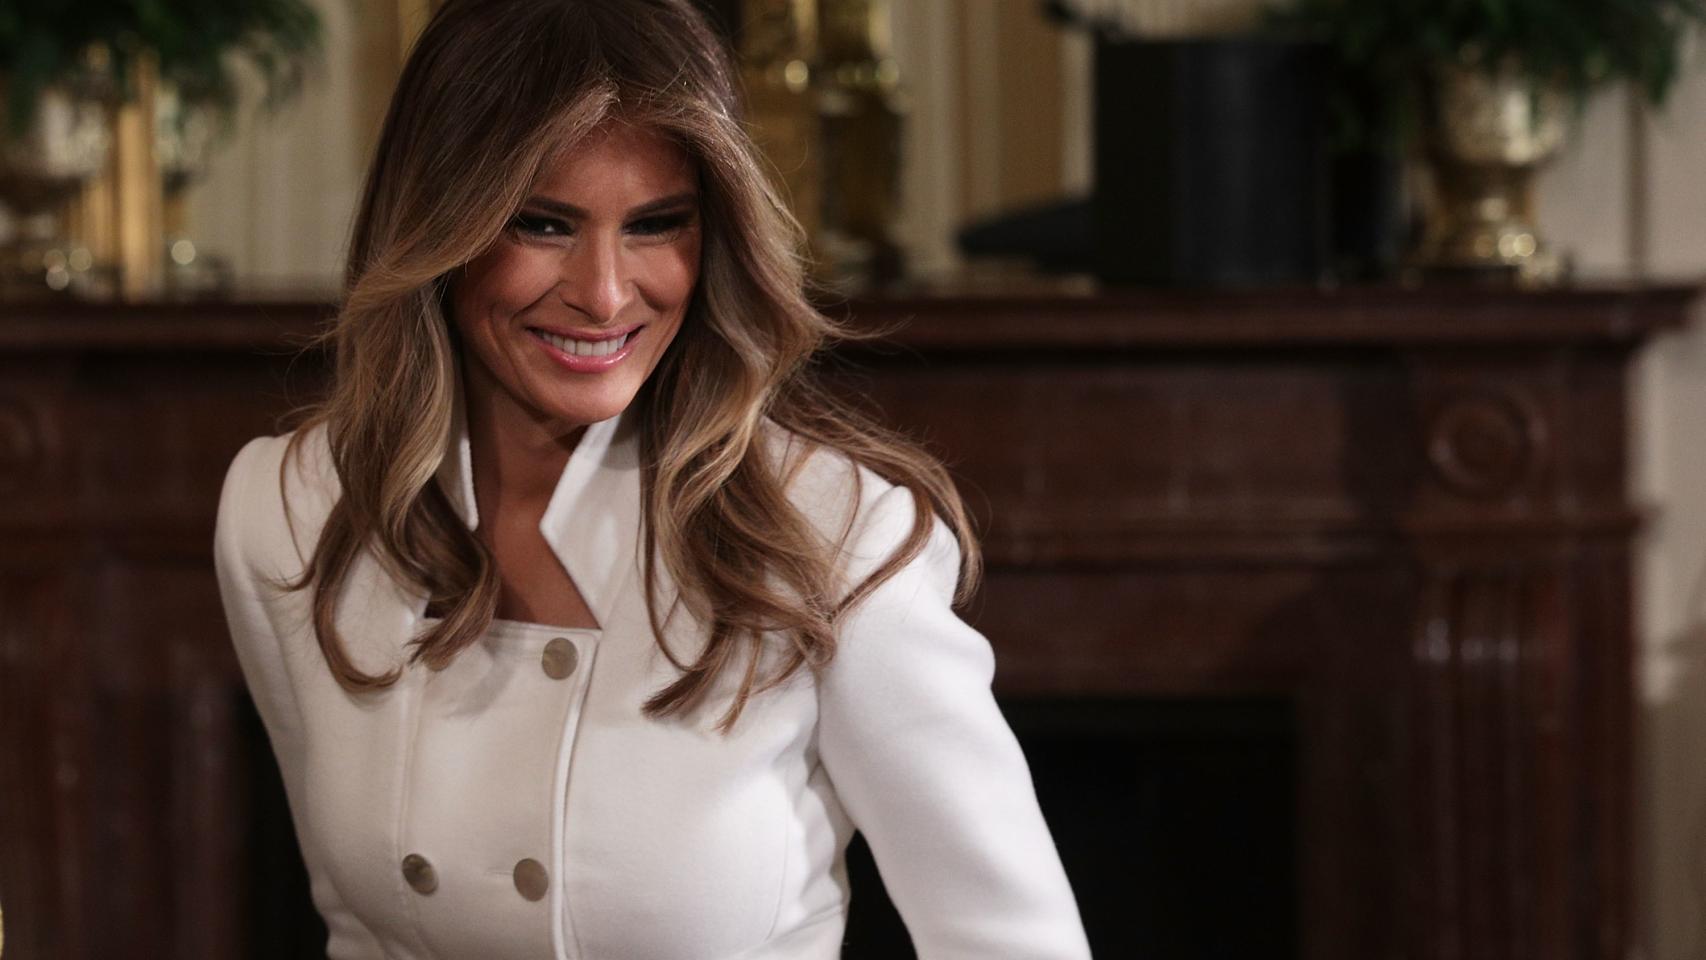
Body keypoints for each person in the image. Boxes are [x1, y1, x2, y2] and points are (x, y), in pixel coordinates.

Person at [212, 1, 1091, 957]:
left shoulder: (833, 536)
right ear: (436, 223)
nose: (603, 293)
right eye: (541, 224)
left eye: (657, 225)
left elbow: (1013, 941)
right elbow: (356, 928)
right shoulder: (290, 510)